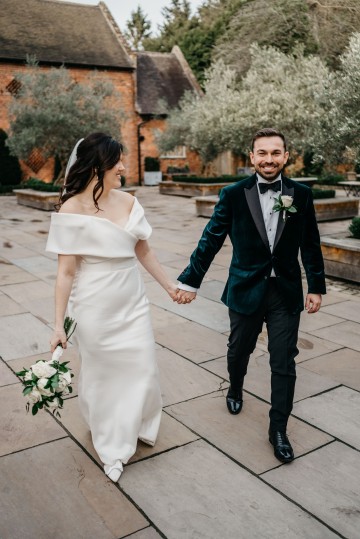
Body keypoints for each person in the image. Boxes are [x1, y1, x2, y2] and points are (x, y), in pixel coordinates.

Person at [176, 128, 326, 463]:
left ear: (286, 157)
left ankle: (278, 429)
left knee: (283, 360)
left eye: (276, 153)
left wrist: (315, 285)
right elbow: (210, 240)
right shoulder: (233, 194)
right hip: (245, 288)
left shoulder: (301, 194)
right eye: (262, 153)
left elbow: (310, 243)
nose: (269, 159)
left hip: (285, 291)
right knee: (238, 349)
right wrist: (190, 281)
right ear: (252, 156)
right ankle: (235, 386)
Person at [47, 132, 179, 482]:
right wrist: (58, 325)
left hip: (131, 300)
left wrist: (168, 286)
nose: (123, 166)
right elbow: (65, 272)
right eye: (117, 161)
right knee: (103, 374)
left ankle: (139, 421)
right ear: (96, 166)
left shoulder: (130, 202)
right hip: (93, 305)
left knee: (140, 364)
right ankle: (113, 445)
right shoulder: (70, 208)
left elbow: (143, 251)